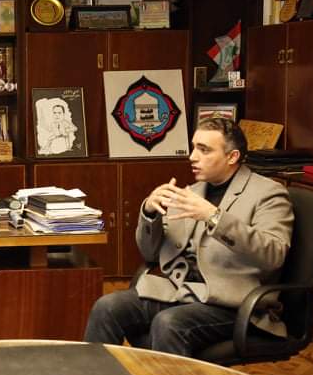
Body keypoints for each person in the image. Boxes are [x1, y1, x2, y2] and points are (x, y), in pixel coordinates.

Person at [83, 118, 293, 356]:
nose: (192, 157)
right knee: (107, 307)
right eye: (193, 147)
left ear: (232, 157)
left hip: (232, 303)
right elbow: (150, 254)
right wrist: (150, 213)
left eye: (204, 150)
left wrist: (214, 217)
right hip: (180, 291)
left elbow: (273, 254)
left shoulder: (268, 193)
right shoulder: (190, 192)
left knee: (169, 323)